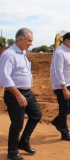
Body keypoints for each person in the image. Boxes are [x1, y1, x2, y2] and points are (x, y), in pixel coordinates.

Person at [0, 28, 42, 160]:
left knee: (36, 115)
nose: (31, 43)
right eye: (29, 41)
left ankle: (23, 142)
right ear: (20, 39)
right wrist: (18, 95)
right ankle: (12, 152)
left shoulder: (22, 53)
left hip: (27, 92)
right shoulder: (9, 54)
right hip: (14, 94)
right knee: (17, 124)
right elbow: (4, 77)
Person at [50, 32, 70, 142]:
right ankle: (64, 133)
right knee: (64, 109)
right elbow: (59, 71)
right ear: (66, 40)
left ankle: (57, 121)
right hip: (61, 85)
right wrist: (64, 88)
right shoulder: (60, 53)